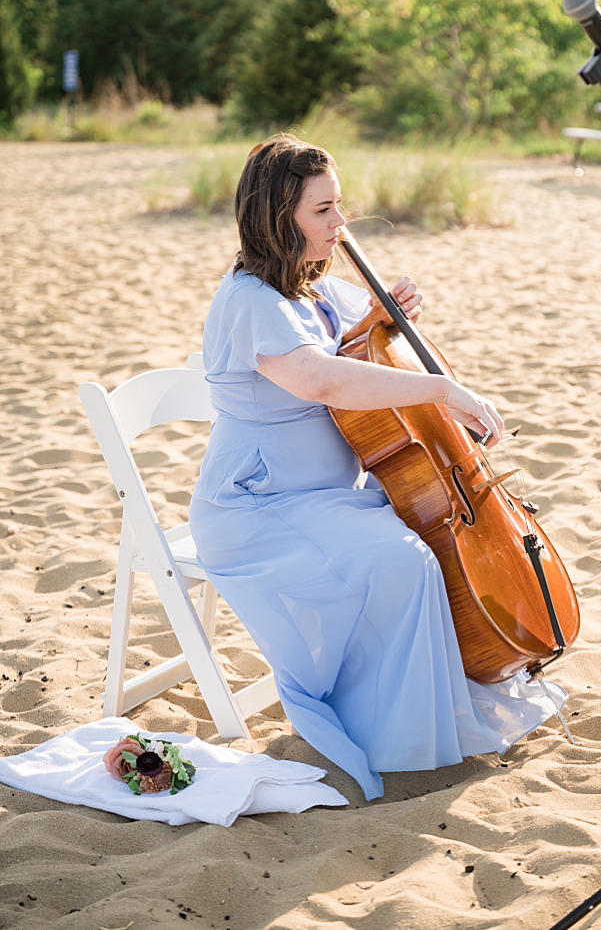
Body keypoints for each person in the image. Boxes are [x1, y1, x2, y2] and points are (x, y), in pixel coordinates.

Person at [188, 135, 564, 802]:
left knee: (419, 550)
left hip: (326, 497)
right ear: (280, 217)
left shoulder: (306, 284)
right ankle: (400, 736)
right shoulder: (249, 300)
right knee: (406, 562)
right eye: (324, 211)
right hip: (259, 508)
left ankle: (411, 712)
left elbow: (356, 336)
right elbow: (319, 377)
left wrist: (383, 311)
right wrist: (444, 390)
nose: (341, 225)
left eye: (339, 208)